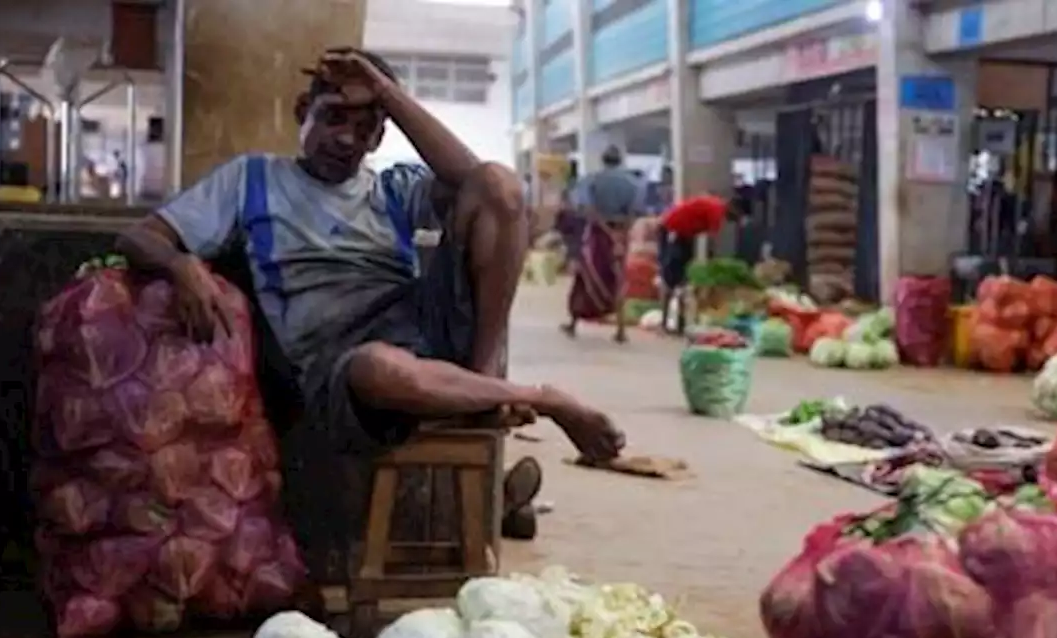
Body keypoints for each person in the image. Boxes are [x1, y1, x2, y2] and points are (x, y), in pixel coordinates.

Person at [116, 47, 625, 540]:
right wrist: (181, 263)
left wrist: (387, 92)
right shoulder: (253, 179)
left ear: (379, 138)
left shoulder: (393, 188)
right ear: (303, 112)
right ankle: (531, 410)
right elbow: (139, 237)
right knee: (380, 368)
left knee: (499, 183)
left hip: (424, 330)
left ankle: (480, 384)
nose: (346, 138)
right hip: (340, 366)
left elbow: (483, 185)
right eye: (334, 117)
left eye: (365, 129)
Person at [561, 145, 642, 342]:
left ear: (603, 160)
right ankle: (621, 330)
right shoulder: (633, 183)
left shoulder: (592, 180)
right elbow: (635, 211)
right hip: (620, 233)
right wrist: (620, 234)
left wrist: (604, 228)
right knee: (618, 278)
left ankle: (573, 324)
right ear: (619, 161)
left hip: (597, 234)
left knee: (585, 276)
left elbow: (587, 208)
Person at [658, 193, 732, 334]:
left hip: (684, 235)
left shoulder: (715, 205)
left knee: (683, 279)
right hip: (673, 231)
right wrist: (712, 266)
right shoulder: (717, 210)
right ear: (733, 208)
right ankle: (664, 322)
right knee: (671, 278)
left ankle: (680, 323)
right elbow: (712, 243)